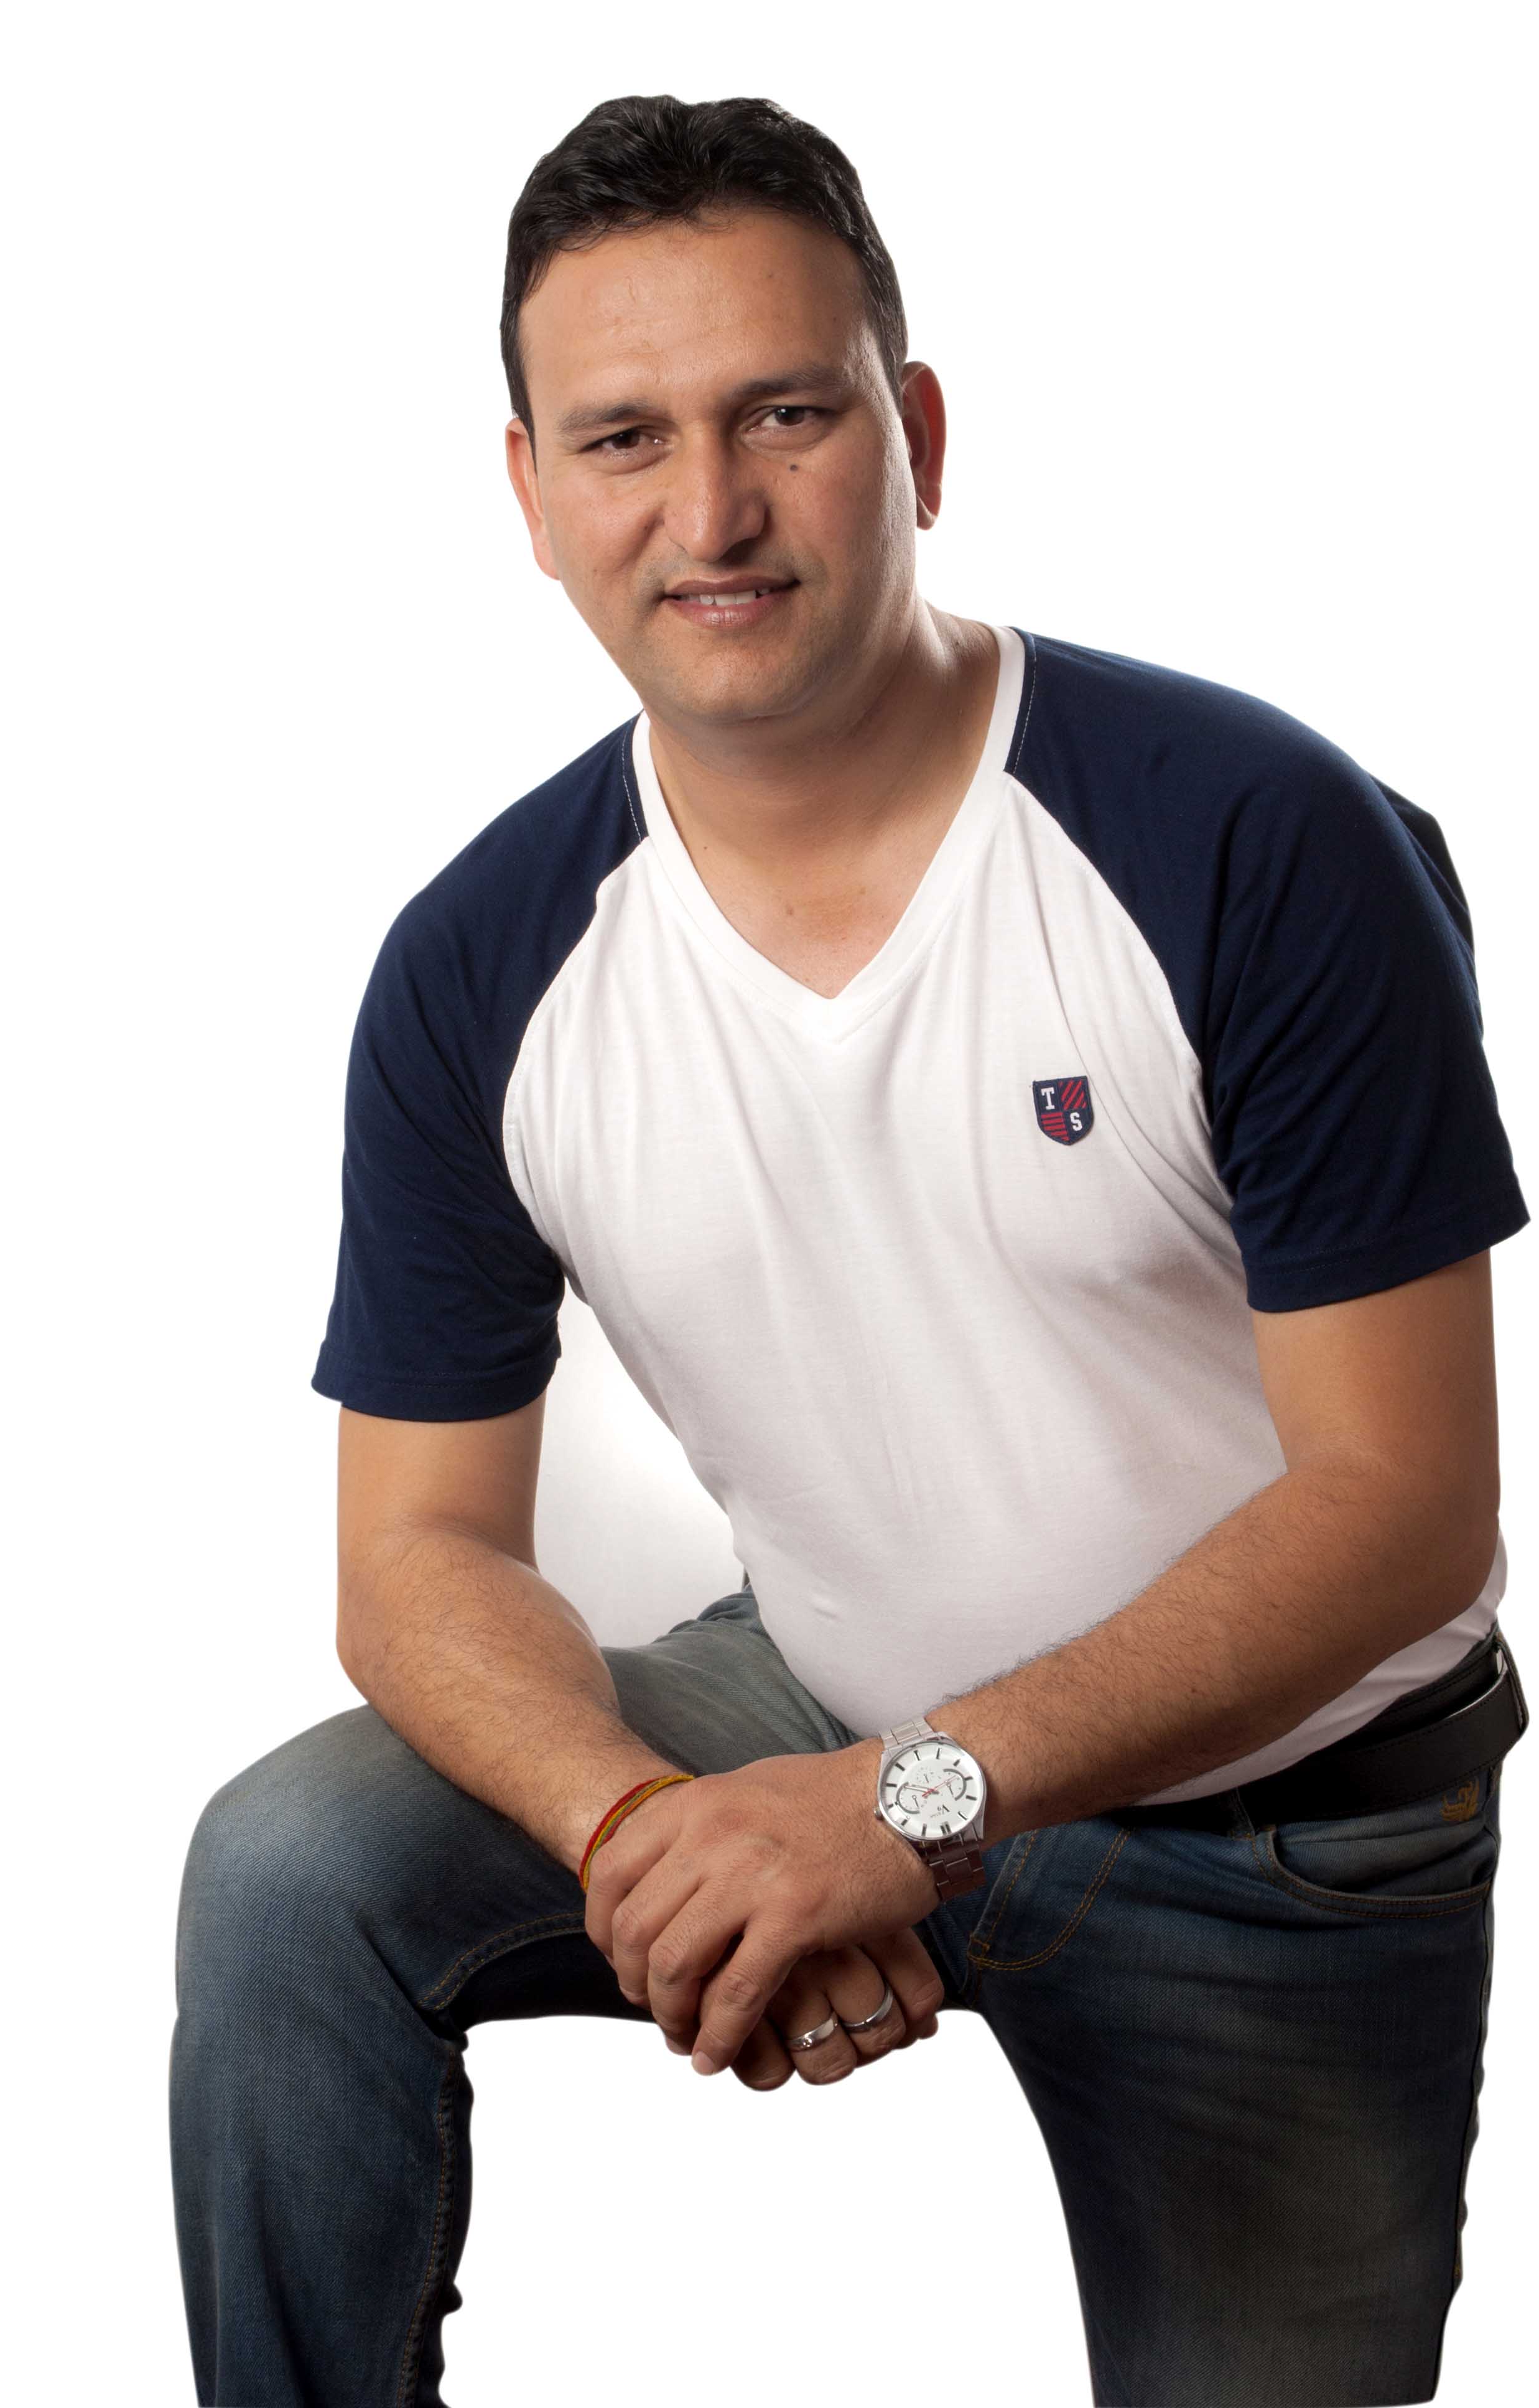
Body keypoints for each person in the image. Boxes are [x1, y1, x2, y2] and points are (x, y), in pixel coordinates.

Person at [169, 91, 1532, 2408]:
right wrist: (650, 1832)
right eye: (624, 439)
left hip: (1278, 1828)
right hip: (815, 1699)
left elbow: (1407, 1510)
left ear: (917, 434)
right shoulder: (480, 966)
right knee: (290, 1870)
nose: (708, 512)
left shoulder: (1255, 837)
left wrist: (910, 1805)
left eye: (783, 416)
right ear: (530, 496)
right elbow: (410, 1554)